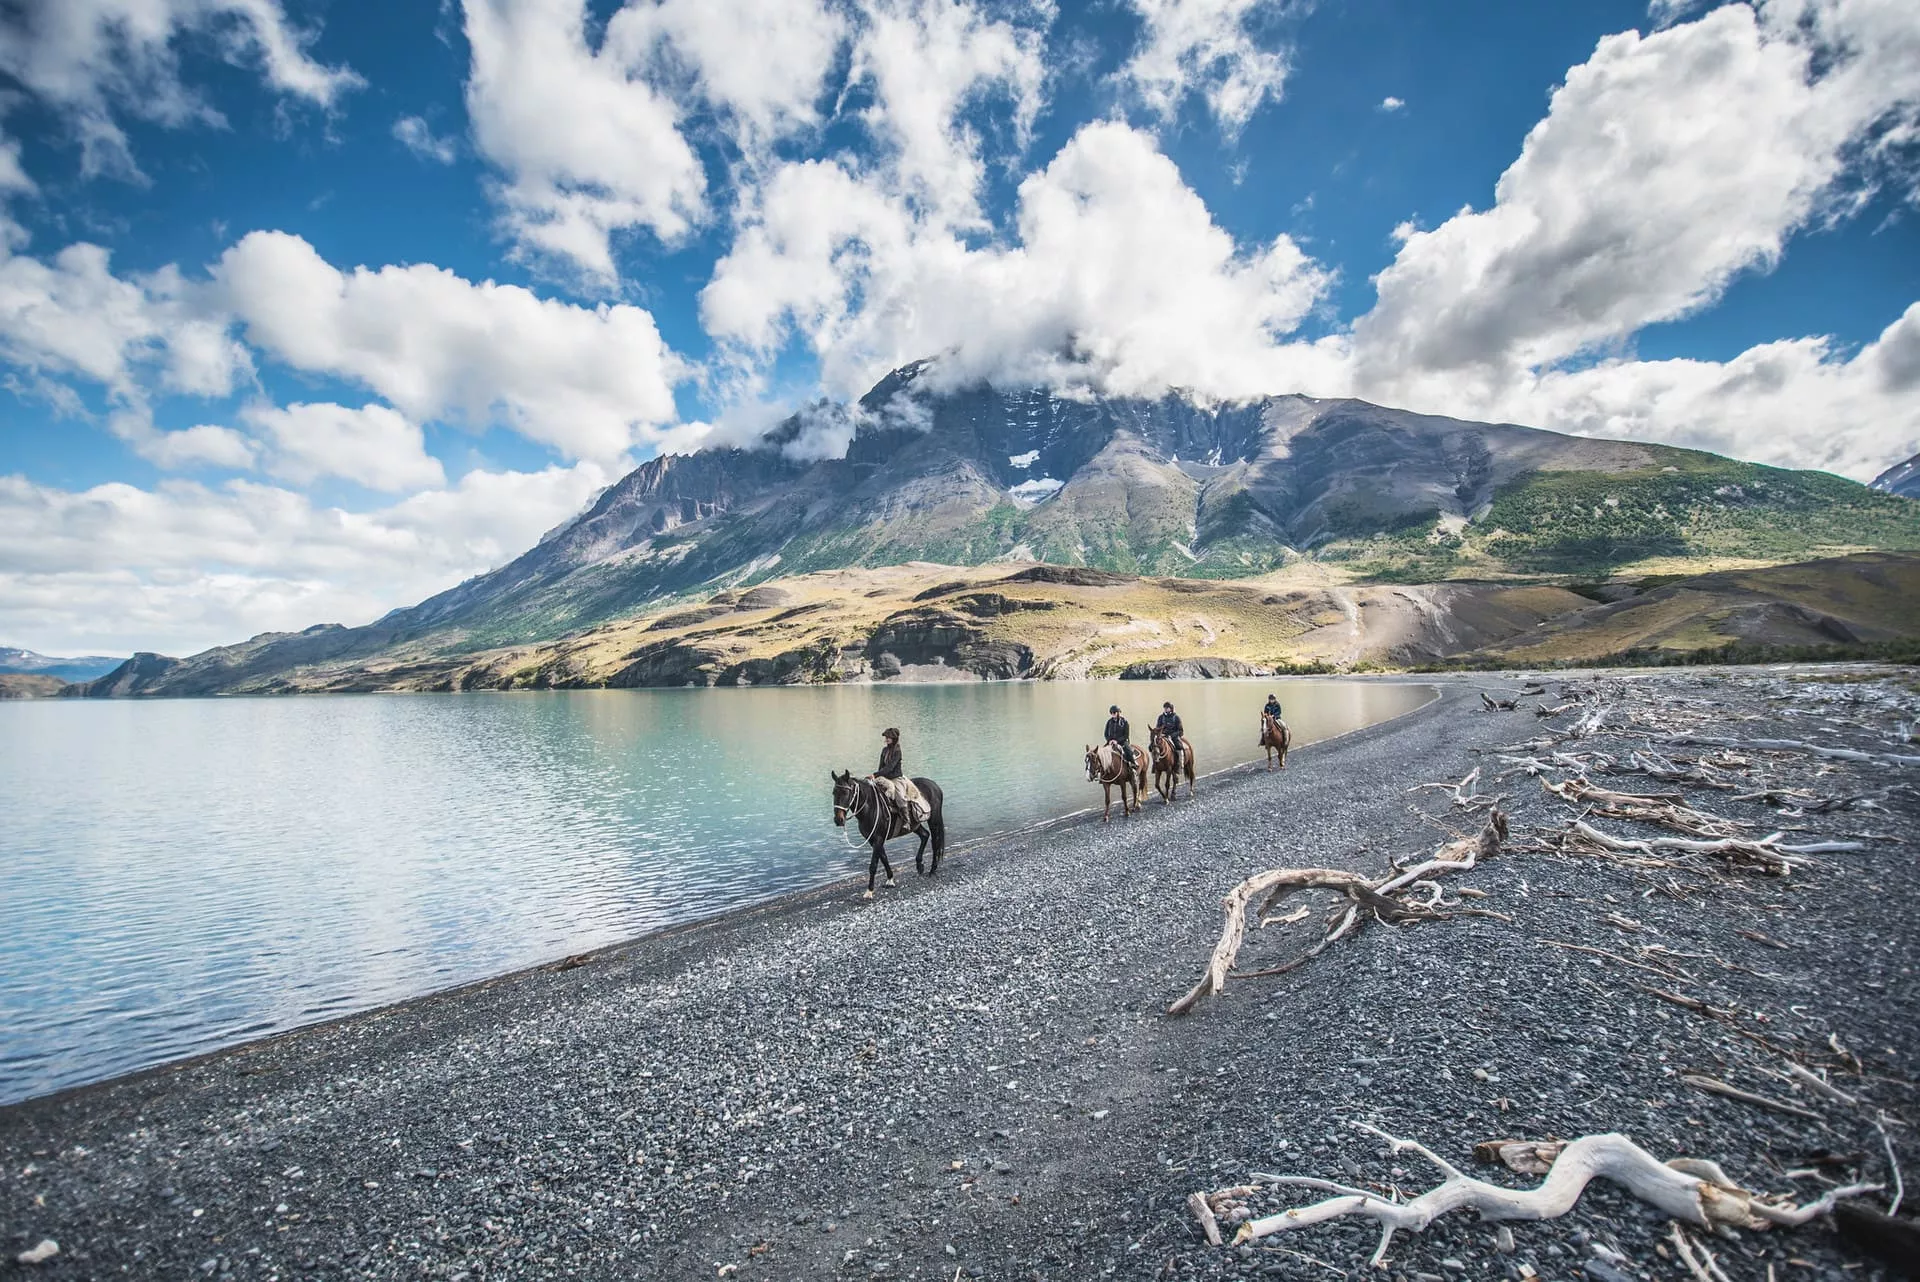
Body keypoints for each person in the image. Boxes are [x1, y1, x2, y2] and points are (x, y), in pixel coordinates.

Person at [870, 728, 927, 833]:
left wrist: (875, 774)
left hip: (896, 778)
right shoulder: (884, 750)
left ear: (894, 739)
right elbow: (881, 766)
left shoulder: (897, 751)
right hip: (885, 777)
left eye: (888, 737)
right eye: (886, 737)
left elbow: (890, 767)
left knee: (900, 797)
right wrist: (876, 777)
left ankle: (907, 821)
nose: (886, 739)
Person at [1155, 701, 1185, 772]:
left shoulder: (1176, 718)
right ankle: (1155, 764)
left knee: (1179, 746)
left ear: (1171, 709)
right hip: (1163, 736)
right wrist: (1160, 734)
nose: (1165, 709)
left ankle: (1180, 764)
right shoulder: (1161, 717)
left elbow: (1181, 731)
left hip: (1173, 736)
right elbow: (1158, 728)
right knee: (1152, 746)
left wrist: (1172, 736)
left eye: (1167, 708)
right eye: (1165, 708)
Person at [1103, 704, 1133, 770]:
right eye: (1111, 713)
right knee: (1102, 752)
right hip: (1111, 742)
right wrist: (1109, 740)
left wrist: (1117, 741)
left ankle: (1133, 765)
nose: (1113, 714)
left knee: (1129, 751)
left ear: (1118, 712)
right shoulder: (1109, 722)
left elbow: (1126, 735)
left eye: (1114, 712)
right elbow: (1105, 734)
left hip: (1122, 742)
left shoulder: (1124, 722)